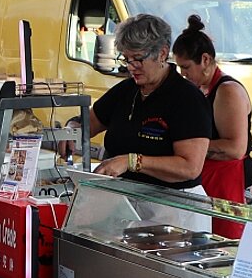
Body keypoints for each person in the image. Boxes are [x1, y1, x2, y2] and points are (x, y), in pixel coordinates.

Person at [80, 13, 211, 190]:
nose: (131, 67)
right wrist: (72, 129)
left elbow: (189, 167)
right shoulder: (126, 90)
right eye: (126, 59)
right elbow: (90, 123)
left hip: (173, 206)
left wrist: (131, 161)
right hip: (128, 199)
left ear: (162, 53)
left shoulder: (187, 98)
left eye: (138, 59)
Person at [172, 14, 252, 237]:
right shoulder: (200, 89)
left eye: (186, 67)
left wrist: (189, 148)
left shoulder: (228, 91)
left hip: (228, 183)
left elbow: (235, 148)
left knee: (224, 244)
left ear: (205, 60)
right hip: (208, 180)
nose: (183, 74)